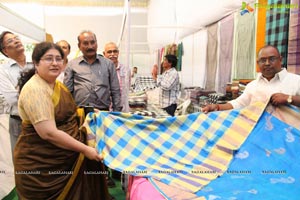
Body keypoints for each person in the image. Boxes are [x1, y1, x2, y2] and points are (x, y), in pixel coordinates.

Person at [14, 41, 109, 199]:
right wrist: (85, 149)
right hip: (42, 165)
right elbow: (48, 134)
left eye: (59, 59)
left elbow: (69, 112)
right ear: (36, 63)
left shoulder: (56, 85)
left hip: (67, 156)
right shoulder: (35, 90)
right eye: (48, 59)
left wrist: (90, 113)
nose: (55, 63)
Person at [202, 45, 300, 113]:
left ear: (280, 59)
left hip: (289, 137)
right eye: (263, 60)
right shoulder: (253, 85)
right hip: (258, 135)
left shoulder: (296, 81)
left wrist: (289, 98)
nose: (267, 63)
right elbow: (238, 103)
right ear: (258, 63)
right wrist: (217, 107)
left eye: (272, 59)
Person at [64, 30, 122, 112]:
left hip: (103, 114)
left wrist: (116, 115)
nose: (90, 46)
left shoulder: (108, 64)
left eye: (92, 42)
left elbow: (115, 91)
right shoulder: (72, 65)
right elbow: (67, 94)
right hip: (80, 114)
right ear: (79, 46)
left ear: (97, 44)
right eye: (85, 43)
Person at [0, 31, 34, 155]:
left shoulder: (36, 62)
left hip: (42, 119)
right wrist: (36, 92)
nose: (16, 41)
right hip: (18, 122)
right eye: (10, 41)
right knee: (22, 161)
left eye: (16, 38)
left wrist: (20, 90)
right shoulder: (3, 71)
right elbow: (12, 99)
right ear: (5, 51)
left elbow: (48, 89)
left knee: (43, 161)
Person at [103, 42, 131, 112]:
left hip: (122, 109)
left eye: (115, 51)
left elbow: (127, 89)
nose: (112, 54)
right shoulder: (100, 70)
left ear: (118, 53)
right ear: (104, 54)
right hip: (106, 109)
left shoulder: (126, 70)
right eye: (109, 52)